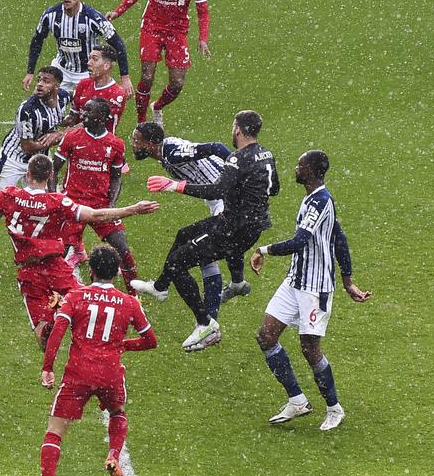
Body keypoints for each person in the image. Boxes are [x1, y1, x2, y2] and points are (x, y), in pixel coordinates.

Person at [0, 155, 159, 352]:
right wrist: (133, 209)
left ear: (27, 174)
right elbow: (95, 215)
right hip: (57, 267)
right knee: (90, 301)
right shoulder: (57, 201)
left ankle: (60, 314)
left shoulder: (7, 196)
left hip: (30, 274)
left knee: (43, 340)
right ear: (50, 177)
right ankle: (111, 321)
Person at [249, 150, 372, 431]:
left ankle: (334, 408)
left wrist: (263, 250)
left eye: (300, 164)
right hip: (294, 281)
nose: (296, 167)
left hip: (315, 288)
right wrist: (349, 280)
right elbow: (339, 238)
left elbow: (300, 242)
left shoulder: (321, 201)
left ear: (311, 170)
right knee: (266, 336)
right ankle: (297, 400)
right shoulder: (312, 199)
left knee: (309, 347)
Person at [34, 245, 158, 476]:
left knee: (54, 431)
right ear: (116, 272)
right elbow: (151, 341)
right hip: (110, 373)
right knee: (117, 412)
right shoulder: (129, 302)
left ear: (90, 270)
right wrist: (121, 345)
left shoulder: (76, 296)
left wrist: (47, 367)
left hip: (78, 373)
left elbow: (57, 333)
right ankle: (114, 455)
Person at [136, 110, 278, 351]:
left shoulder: (237, 159)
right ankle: (166, 288)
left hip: (233, 226)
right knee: (185, 235)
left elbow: (216, 190)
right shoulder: (266, 154)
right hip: (249, 224)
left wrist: (175, 186)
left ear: (238, 130)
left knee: (178, 263)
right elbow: (273, 190)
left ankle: (207, 324)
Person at [131, 121, 253, 320]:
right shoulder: (166, 150)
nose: (134, 145)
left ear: (152, 143)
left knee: (204, 253)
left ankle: (208, 320)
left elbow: (215, 147)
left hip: (227, 200)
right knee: (192, 240)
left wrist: (237, 165)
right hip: (222, 199)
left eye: (137, 141)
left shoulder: (173, 153)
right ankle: (234, 285)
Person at [0, 67, 71, 279]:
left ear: (57, 86)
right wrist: (55, 138)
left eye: (46, 81)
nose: (40, 84)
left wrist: (60, 133)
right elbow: (26, 146)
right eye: (40, 80)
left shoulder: (63, 98)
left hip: (39, 160)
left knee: (48, 205)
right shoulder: (27, 109)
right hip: (15, 160)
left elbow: (70, 121)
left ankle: (44, 255)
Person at [105, 0, 210, 126]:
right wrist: (118, 11)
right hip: (152, 27)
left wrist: (203, 38)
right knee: (147, 76)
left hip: (177, 32)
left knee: (177, 83)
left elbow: (203, 11)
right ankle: (141, 122)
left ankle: (158, 106)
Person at [52, 99, 140, 288]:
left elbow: (116, 178)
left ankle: (133, 296)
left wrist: (111, 204)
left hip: (100, 205)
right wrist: (55, 198)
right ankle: (56, 294)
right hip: (73, 204)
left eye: (88, 111)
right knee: (58, 254)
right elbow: (54, 169)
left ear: (101, 116)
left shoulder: (115, 144)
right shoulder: (72, 137)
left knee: (123, 250)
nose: (83, 114)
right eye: (83, 110)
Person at [26, 0, 133, 97]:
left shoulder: (94, 18)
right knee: (42, 101)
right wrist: (30, 72)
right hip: (62, 70)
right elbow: (37, 41)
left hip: (87, 73)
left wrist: (125, 78)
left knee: (90, 111)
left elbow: (118, 44)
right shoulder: (50, 15)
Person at [69, 45, 132, 133]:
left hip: (99, 142)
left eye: (94, 59)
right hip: (76, 138)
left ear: (106, 66)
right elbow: (72, 117)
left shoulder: (117, 94)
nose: (89, 63)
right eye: (89, 58)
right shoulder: (83, 84)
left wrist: (61, 134)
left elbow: (92, 124)